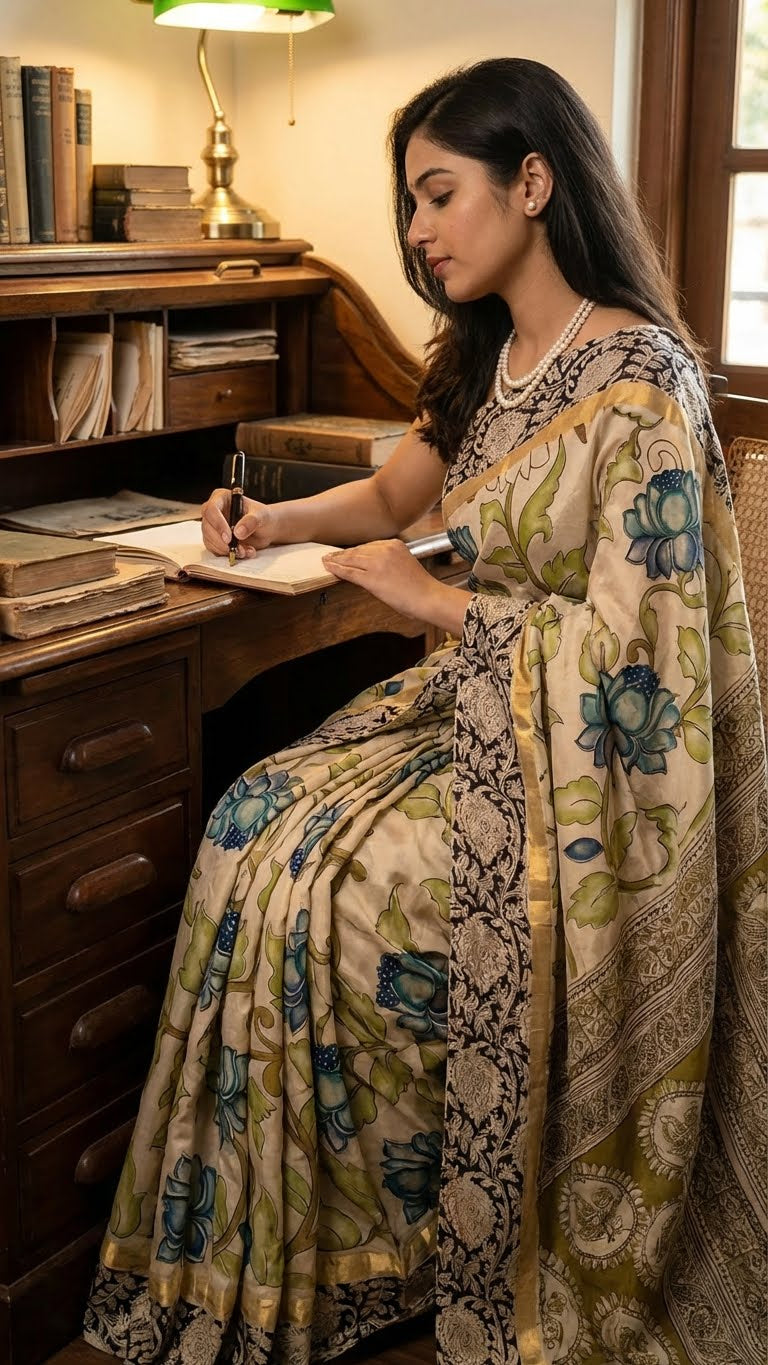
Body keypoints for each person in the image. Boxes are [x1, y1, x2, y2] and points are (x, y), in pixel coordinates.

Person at [85, 57, 767, 1365]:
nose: (415, 230)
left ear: (532, 180)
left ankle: (427, 1243)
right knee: (256, 820)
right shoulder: (485, 355)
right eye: (409, 202)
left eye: (438, 194)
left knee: (338, 889)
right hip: (466, 708)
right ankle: (297, 1255)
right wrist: (267, 521)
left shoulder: (643, 379)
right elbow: (400, 499)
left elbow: (646, 661)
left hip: (589, 767)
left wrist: (436, 606)